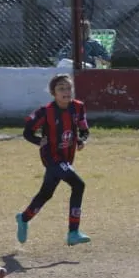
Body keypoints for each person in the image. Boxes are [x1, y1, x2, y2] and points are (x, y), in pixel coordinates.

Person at [17, 74, 91, 246]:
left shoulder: (78, 107)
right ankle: (73, 232)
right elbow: (27, 132)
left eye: (68, 88)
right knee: (78, 185)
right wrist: (38, 141)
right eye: (61, 88)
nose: (66, 92)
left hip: (67, 158)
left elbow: (84, 129)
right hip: (52, 157)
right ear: (53, 93)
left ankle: (24, 218)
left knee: (46, 193)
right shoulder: (45, 111)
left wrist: (81, 140)